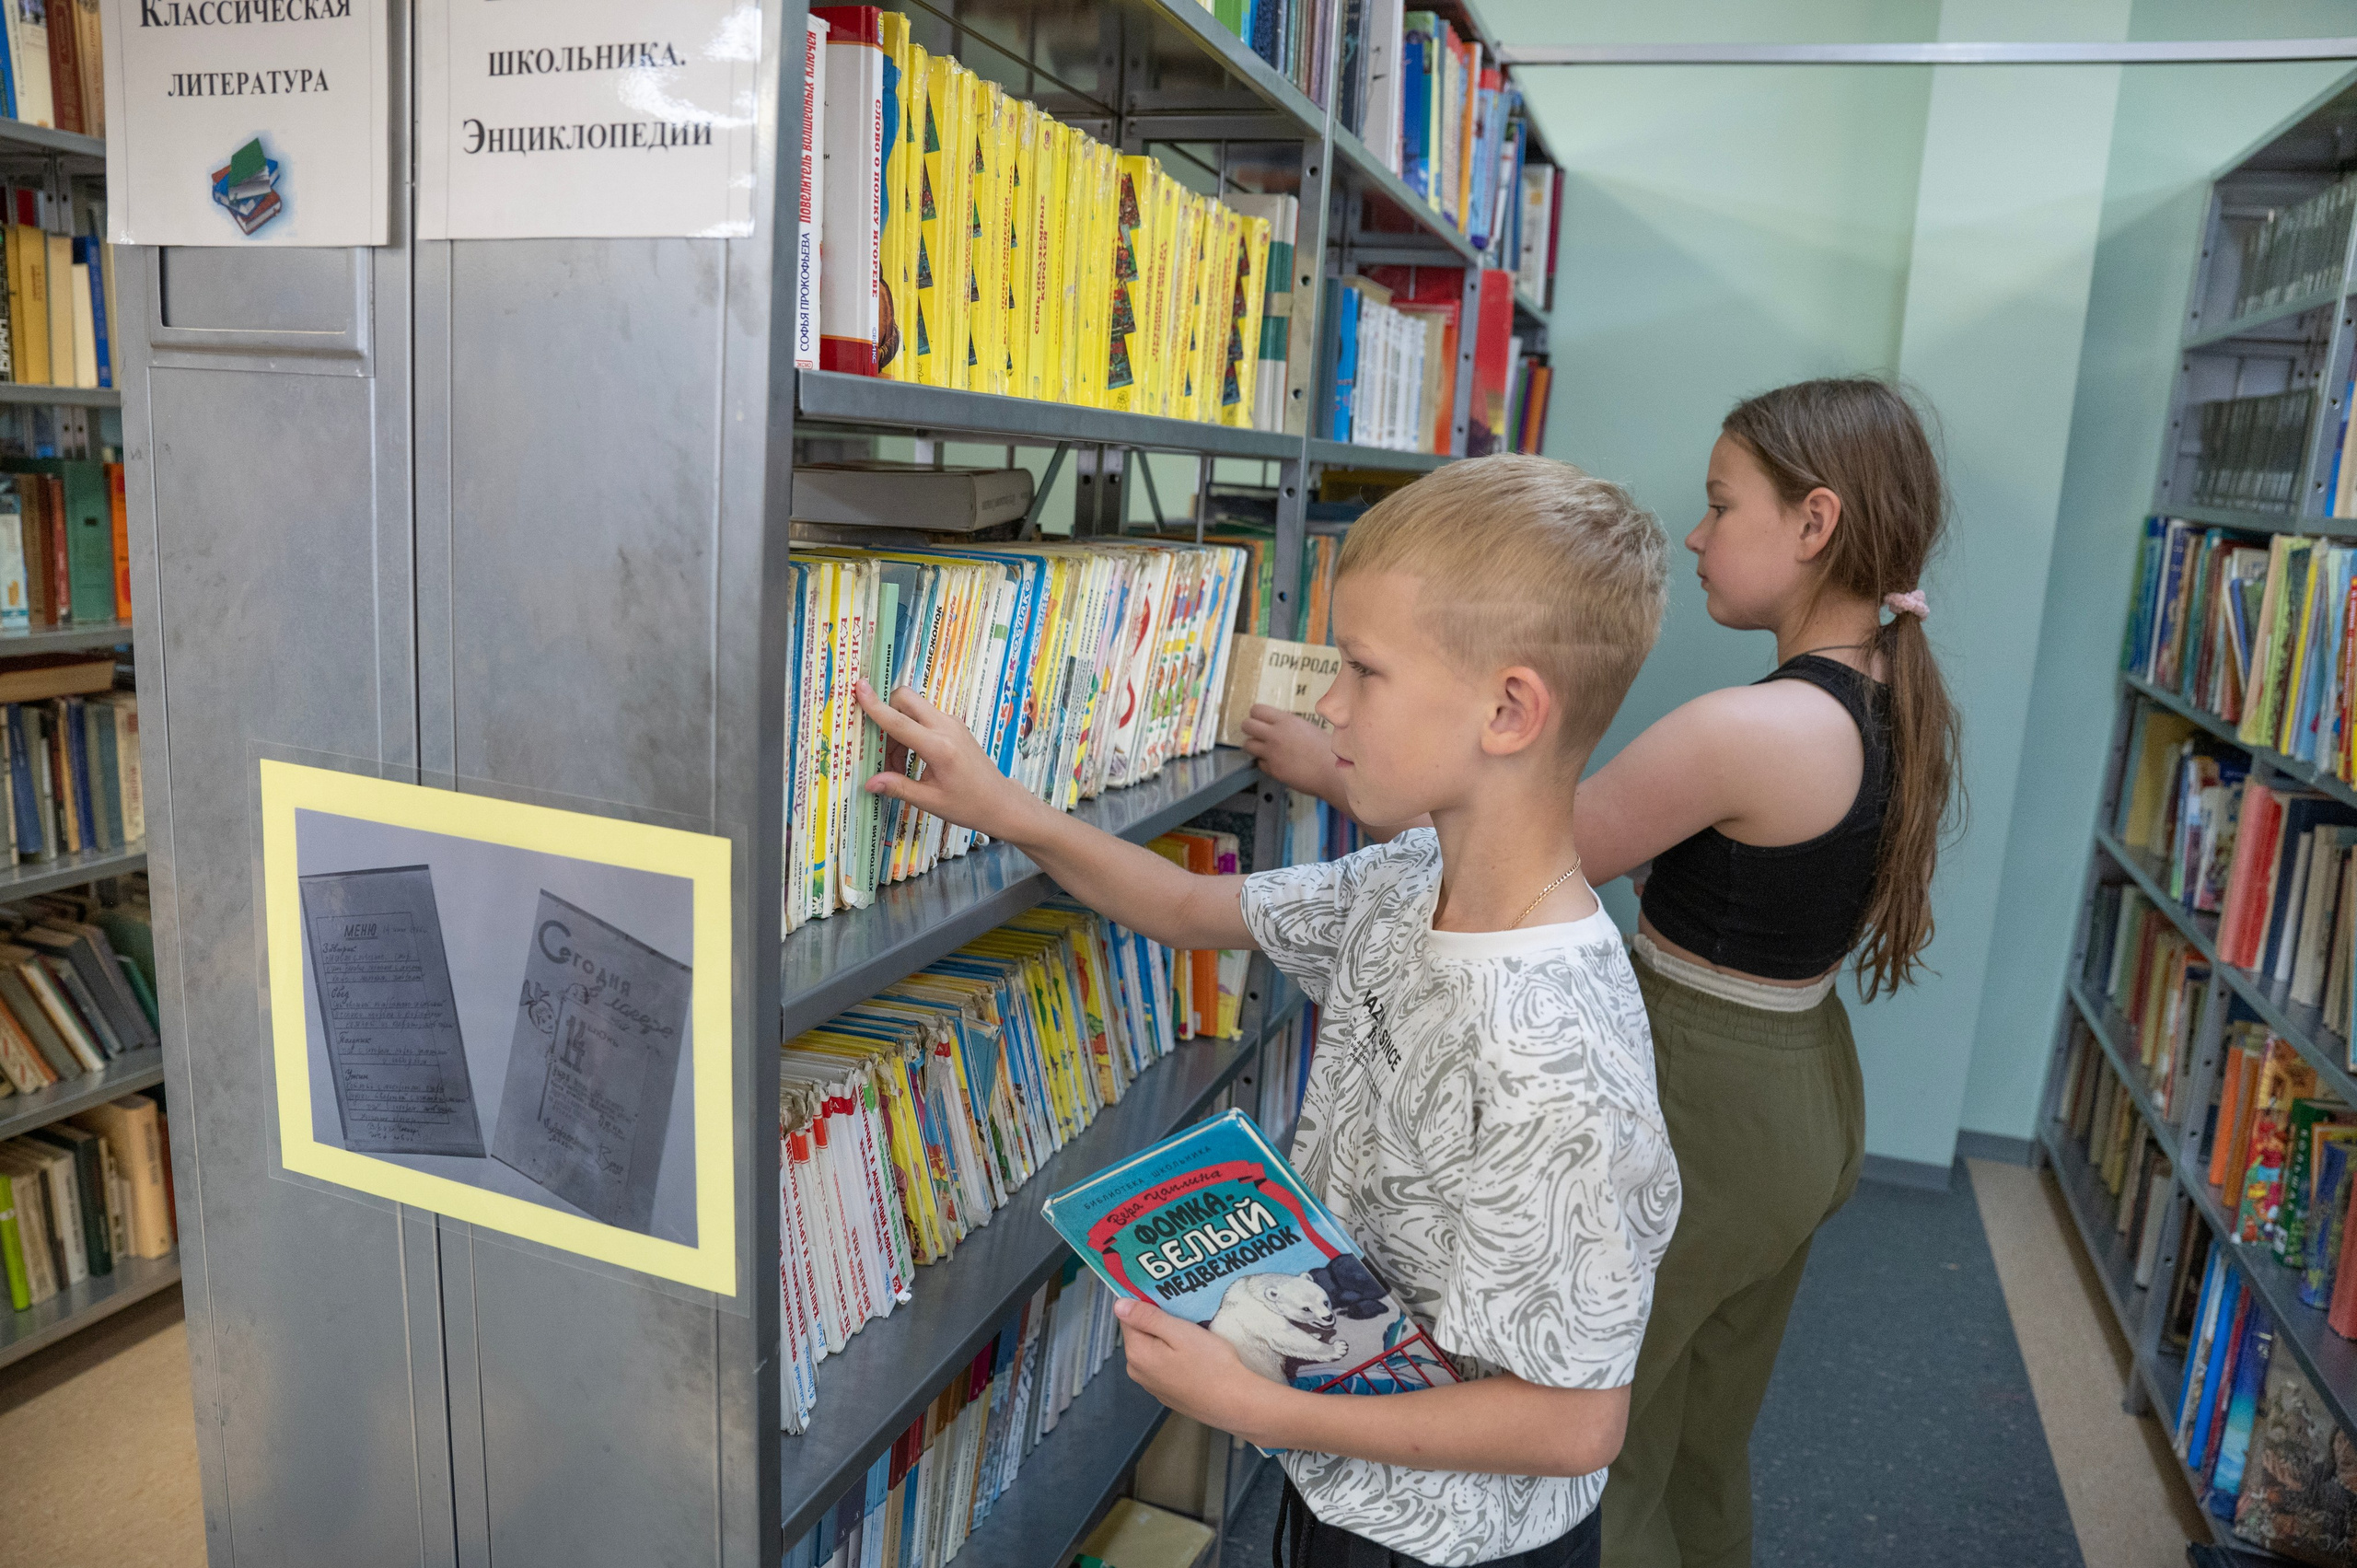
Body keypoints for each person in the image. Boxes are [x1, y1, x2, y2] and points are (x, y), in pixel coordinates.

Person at [853, 455, 1682, 1568]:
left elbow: (1574, 1420)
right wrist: (1005, 806)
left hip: (1456, 1544)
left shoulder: (1555, 1062)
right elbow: (1194, 905)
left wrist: (1257, 1407)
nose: (1326, 704)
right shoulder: (1408, 874)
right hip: (1343, 1473)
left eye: (1364, 670)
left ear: (1508, 708)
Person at [1245, 377, 1960, 1568]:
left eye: (1722, 504)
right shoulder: (1884, 686)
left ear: (1815, 522)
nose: (1698, 532)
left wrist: (1334, 766)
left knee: (1601, 1448)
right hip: (1806, 1076)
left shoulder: (1755, 725)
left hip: (1714, 1078)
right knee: (1702, 1434)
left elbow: (1542, 828)